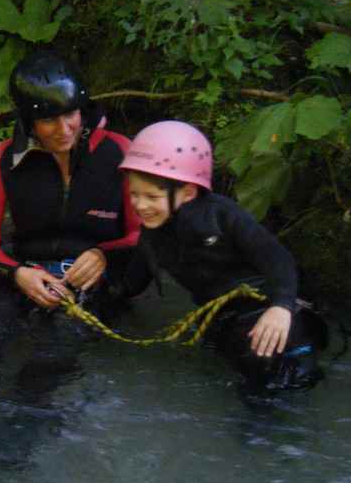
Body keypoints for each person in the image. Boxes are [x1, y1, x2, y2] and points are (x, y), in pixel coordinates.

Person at [116, 120, 327, 390]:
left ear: (188, 192)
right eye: (134, 194)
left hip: (273, 314)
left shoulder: (223, 215)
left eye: (151, 197)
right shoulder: (152, 233)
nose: (140, 206)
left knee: (268, 372)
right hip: (226, 323)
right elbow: (131, 283)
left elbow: (278, 258)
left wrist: (280, 307)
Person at [0, 50, 141, 347]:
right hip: (28, 270)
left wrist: (104, 255)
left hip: (92, 279)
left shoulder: (120, 152)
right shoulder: (4, 158)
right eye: (48, 120)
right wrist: (17, 273)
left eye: (70, 115)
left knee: (56, 346)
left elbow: (143, 235)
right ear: (29, 122)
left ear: (82, 109)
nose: (63, 130)